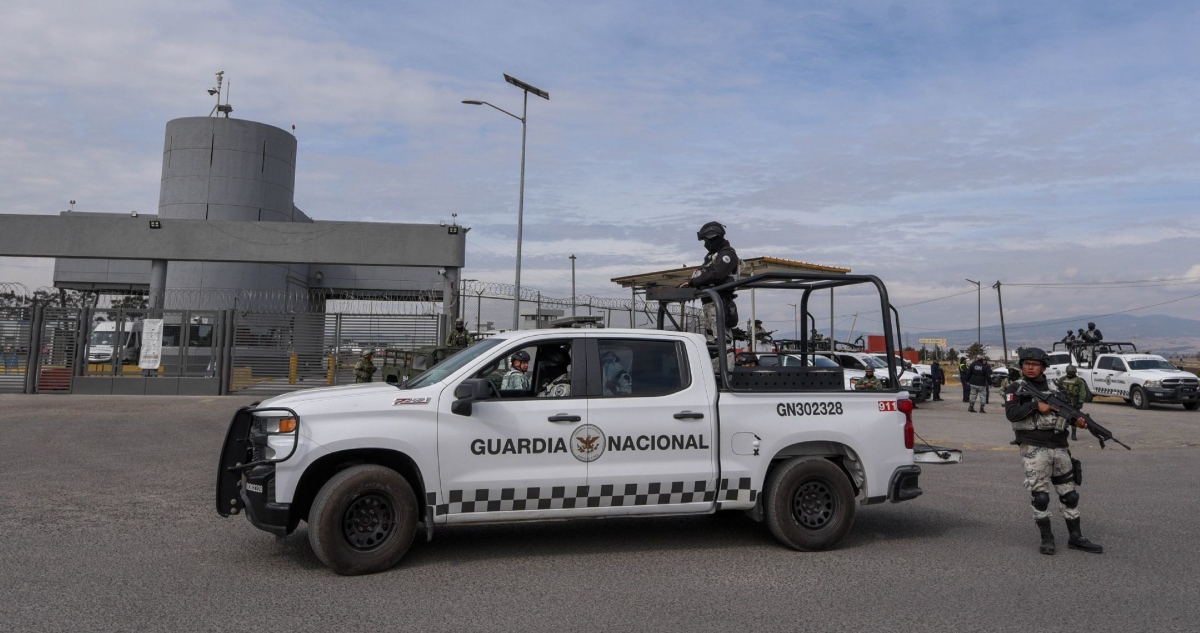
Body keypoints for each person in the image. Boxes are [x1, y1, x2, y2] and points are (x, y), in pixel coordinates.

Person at [1003, 347, 1103, 555]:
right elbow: (1012, 414)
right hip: (1034, 447)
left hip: (1059, 446)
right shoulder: (1015, 388)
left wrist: (1080, 422)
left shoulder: (1056, 387)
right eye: (1026, 364)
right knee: (1040, 496)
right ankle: (1047, 538)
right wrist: (1035, 406)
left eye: (1035, 364)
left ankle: (1076, 538)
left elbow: (1067, 413)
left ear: (1043, 367)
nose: (1030, 368)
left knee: (1070, 495)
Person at [680, 221, 739, 344]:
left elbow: (716, 275)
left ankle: (725, 363)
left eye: (706, 240)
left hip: (720, 302)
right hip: (710, 302)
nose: (705, 244)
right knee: (711, 342)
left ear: (713, 238)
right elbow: (706, 274)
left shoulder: (727, 255)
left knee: (722, 342)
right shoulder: (712, 257)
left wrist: (694, 282)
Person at [1058, 365, 1087, 441]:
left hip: (1074, 402)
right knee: (1062, 417)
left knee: (1074, 418)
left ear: (1074, 372)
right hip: (1064, 401)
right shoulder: (1062, 379)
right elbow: (1057, 388)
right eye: (1068, 372)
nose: (1069, 374)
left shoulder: (1079, 381)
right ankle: (1061, 431)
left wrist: (1080, 402)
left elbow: (1082, 392)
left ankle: (1073, 434)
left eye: (1071, 372)